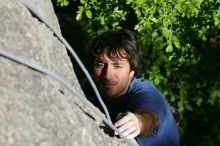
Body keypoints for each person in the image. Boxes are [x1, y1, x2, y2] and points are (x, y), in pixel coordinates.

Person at [81, 29, 179, 146]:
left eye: (117, 66)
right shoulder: (90, 84)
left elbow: (150, 119)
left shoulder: (144, 92)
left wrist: (138, 122)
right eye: (101, 64)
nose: (107, 75)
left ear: (132, 70)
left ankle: (169, 115)